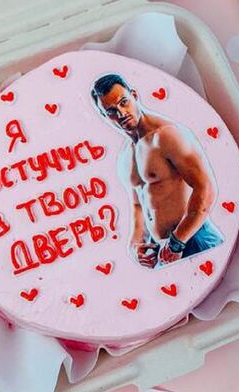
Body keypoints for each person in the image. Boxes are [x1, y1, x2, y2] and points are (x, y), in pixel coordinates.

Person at [91, 74, 224, 269]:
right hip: (164, 251)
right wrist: (136, 247)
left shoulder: (167, 135)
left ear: (134, 95)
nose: (121, 113)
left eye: (124, 102)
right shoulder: (126, 156)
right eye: (111, 111)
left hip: (194, 239)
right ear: (104, 116)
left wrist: (177, 243)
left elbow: (206, 188)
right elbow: (138, 206)